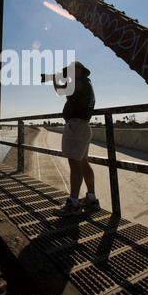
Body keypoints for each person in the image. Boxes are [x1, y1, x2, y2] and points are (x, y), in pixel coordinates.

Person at [50, 61, 100, 216]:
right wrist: (56, 80)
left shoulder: (79, 83)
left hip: (76, 126)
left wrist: (58, 80)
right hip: (83, 126)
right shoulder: (85, 84)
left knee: (74, 163)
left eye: (71, 71)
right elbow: (64, 94)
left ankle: (73, 203)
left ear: (79, 71)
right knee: (83, 162)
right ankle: (91, 198)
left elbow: (61, 91)